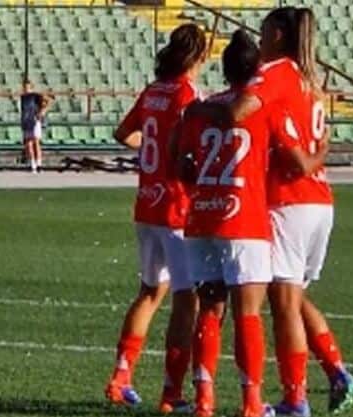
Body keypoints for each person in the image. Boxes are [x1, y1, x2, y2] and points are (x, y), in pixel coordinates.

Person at [175, 29, 327, 417]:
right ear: (257, 68)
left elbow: (181, 165)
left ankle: (204, 401)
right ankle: (250, 402)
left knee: (209, 308)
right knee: (248, 313)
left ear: (225, 69)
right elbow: (293, 158)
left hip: (202, 216)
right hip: (244, 219)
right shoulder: (262, 105)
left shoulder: (202, 108)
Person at [259, 8, 353, 416]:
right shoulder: (310, 80)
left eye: (265, 30)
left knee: (282, 303)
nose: (260, 37)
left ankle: (294, 400)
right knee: (293, 296)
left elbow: (248, 106)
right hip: (319, 201)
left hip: (290, 199)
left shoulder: (277, 72)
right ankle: (337, 371)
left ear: (280, 34)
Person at [105, 23, 206, 413]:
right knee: (187, 301)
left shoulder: (153, 91)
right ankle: (172, 393)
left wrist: (151, 150)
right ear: (197, 57)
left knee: (149, 293)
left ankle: (120, 377)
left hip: (147, 204)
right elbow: (192, 150)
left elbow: (122, 133)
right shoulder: (187, 94)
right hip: (177, 210)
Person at [20, 79, 52, 173]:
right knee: (28, 144)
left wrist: (42, 112)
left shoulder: (35, 95)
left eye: (27, 87)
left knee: (36, 142)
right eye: (24, 87)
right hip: (26, 121)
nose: (26, 89)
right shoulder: (23, 97)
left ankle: (39, 164)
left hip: (34, 121)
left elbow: (48, 101)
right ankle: (32, 164)